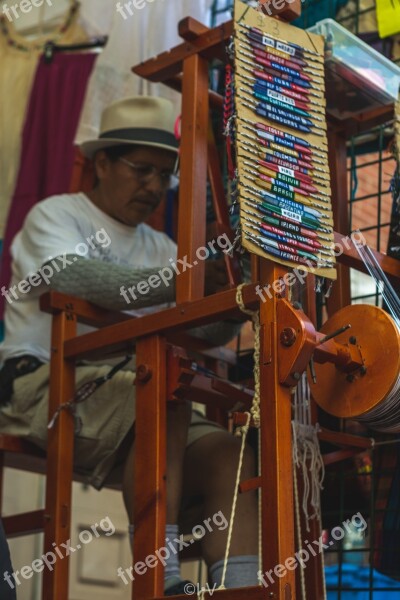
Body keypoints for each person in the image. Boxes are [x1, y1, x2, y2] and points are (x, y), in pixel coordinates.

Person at [0, 96, 258, 594]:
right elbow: (79, 278)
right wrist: (187, 283)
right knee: (164, 395)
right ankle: (161, 582)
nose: (155, 187)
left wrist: (236, 295)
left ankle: (238, 588)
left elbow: (201, 330)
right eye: (142, 170)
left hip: (131, 389)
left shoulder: (161, 248)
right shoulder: (55, 216)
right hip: (39, 383)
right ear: (102, 162)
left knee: (231, 452)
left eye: (165, 175)